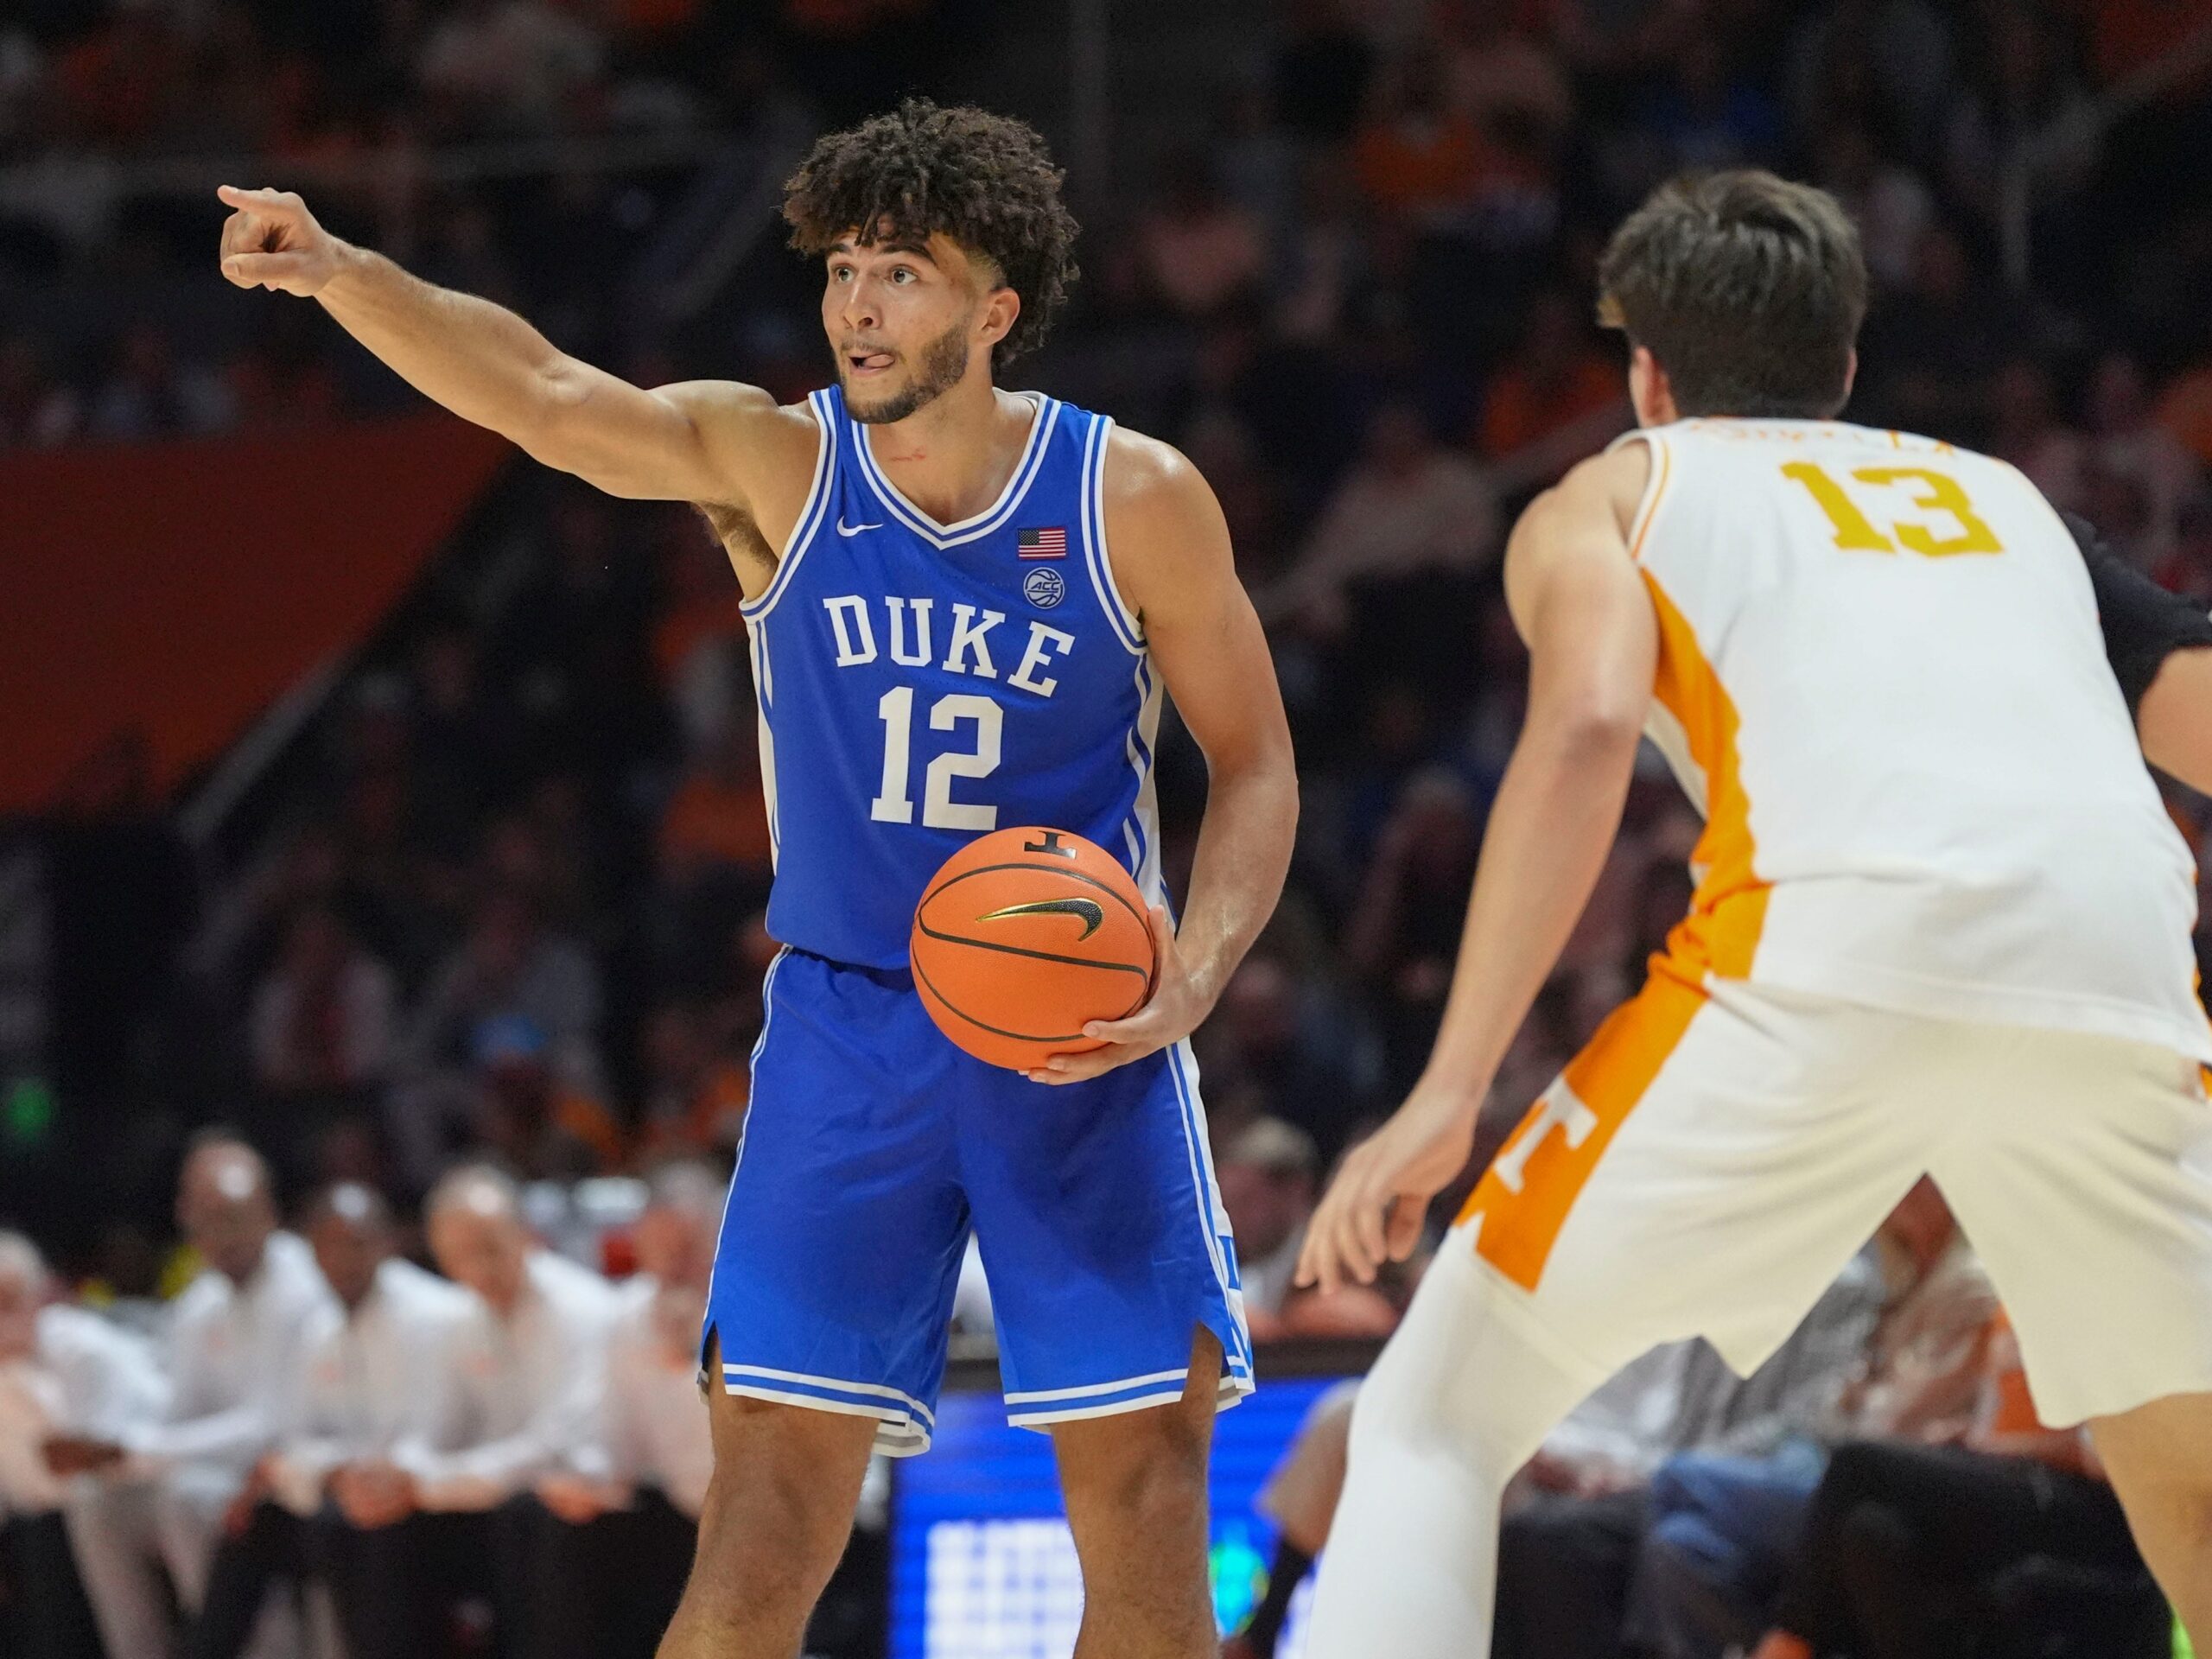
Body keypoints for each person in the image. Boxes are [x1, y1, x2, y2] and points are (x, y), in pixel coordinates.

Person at [218, 96, 1297, 1659]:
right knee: (764, 1523)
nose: (859, 303)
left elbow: (1254, 764)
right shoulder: (772, 463)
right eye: (845, 268)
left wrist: (1192, 972)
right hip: (849, 1034)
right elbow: (539, 392)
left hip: (1083, 1037)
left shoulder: (1132, 497)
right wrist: (340, 272)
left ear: (995, 309)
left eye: (905, 272)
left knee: (1141, 1526)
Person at [1293, 169, 2212, 1658]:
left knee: (1434, 1414)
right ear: (1845, 367)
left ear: (1643, 376)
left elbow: (1587, 730)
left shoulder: (1612, 489)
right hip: (2116, 969)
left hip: (1833, 953)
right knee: (2191, 1474)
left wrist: (1448, 1091)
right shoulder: (2008, 503)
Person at [61, 1138, 332, 1659]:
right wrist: (113, 1451)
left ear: (269, 1213)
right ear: (186, 1219)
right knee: (96, 1506)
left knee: (188, 1496)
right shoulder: (198, 1304)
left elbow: (271, 1424)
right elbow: (173, 1417)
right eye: (207, 1218)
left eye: (235, 1216)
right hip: (214, 1472)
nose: (223, 1234)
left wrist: (142, 1452)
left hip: (288, 1477)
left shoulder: (305, 1286)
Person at [187, 1181, 474, 1659]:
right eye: (329, 1247)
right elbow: (294, 1440)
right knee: (252, 1521)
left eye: (356, 1244)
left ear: (387, 1242)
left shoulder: (433, 1314)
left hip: (428, 1500)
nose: (343, 1260)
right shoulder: (320, 1327)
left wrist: (358, 1474)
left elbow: (435, 1433)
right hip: (348, 1493)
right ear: (313, 1254)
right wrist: (332, 1471)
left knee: (365, 1524)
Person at [0, 1231, 166, 1659]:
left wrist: (16, 1380)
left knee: (72, 1524)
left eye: (8, 1302)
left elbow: (84, 1461)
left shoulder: (82, 1348)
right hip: (48, 1524)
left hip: (148, 1493)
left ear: (42, 1296)